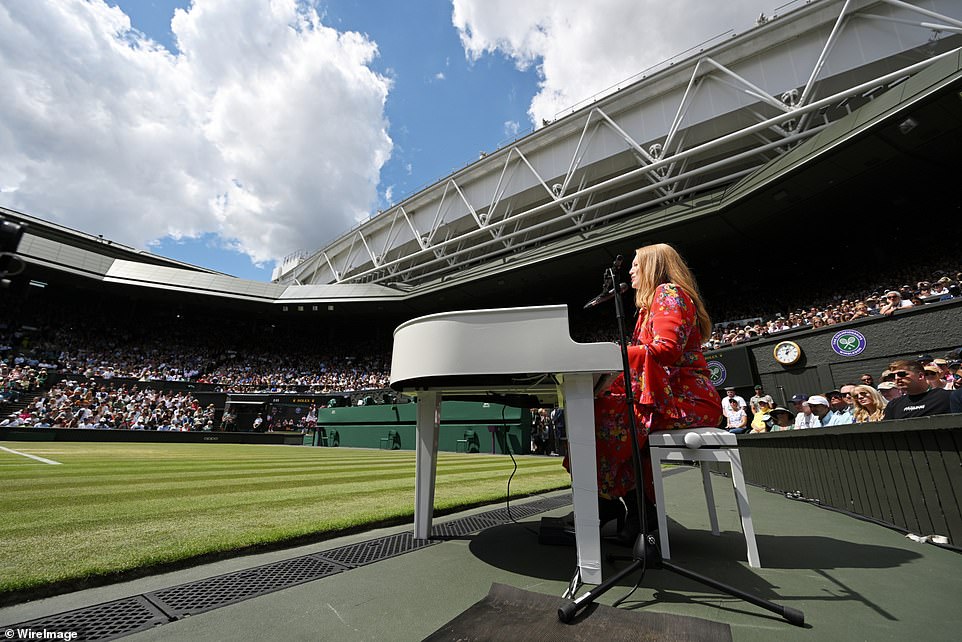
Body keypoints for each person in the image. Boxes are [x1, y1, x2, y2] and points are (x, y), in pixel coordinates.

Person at [570, 243, 722, 544]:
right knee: (602, 411)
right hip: (669, 396)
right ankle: (625, 506)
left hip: (689, 400)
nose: (629, 271)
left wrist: (614, 356)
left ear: (653, 267)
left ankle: (621, 506)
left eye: (636, 265)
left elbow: (665, 350)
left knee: (605, 416)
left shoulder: (669, 294)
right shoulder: (652, 304)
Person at [882, 360, 952, 420]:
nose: (897, 378)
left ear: (920, 376)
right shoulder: (893, 405)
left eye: (902, 374)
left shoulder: (947, 397)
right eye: (893, 376)